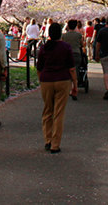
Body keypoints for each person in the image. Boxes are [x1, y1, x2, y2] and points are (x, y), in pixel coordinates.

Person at [36, 22, 77, 154]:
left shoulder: (44, 48)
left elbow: (39, 67)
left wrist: (41, 80)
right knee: (59, 112)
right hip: (62, 80)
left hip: (46, 80)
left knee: (47, 111)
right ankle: (55, 144)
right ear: (60, 33)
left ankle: (47, 140)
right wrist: (75, 85)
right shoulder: (66, 47)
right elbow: (71, 68)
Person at [61, 19, 84, 99]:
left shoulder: (64, 35)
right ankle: (75, 86)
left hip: (67, 54)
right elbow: (82, 44)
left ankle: (70, 89)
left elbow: (61, 43)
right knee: (75, 70)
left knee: (68, 71)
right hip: (76, 53)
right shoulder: (79, 35)